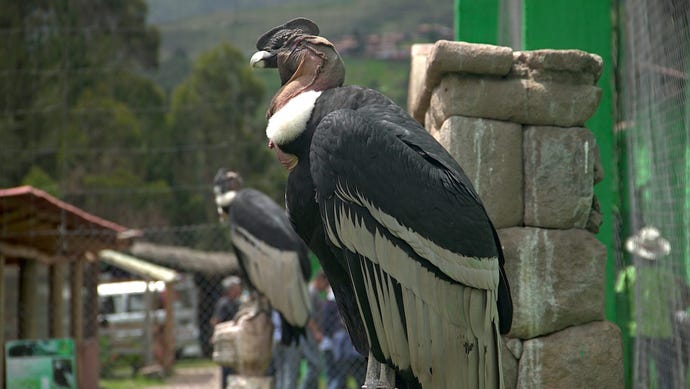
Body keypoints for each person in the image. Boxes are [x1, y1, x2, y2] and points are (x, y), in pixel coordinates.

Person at [211, 276, 243, 389]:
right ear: (231, 289)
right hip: (227, 341)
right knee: (227, 369)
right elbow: (216, 321)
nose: (240, 289)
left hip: (237, 341)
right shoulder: (224, 304)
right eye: (237, 287)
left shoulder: (239, 303)